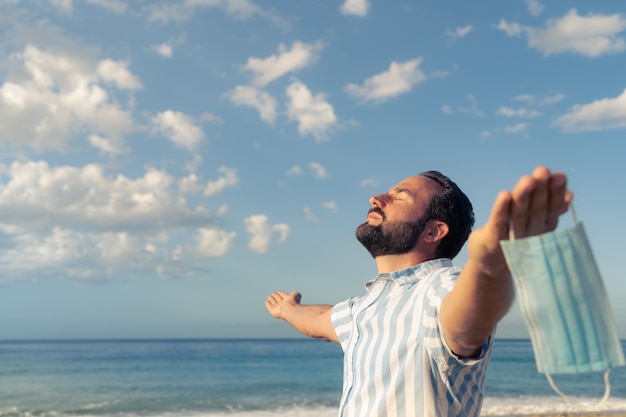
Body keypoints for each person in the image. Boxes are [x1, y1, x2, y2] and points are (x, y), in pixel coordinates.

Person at [265, 166, 573, 417]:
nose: (376, 198)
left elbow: (467, 323)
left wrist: (488, 266)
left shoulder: (440, 287)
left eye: (400, 197)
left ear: (433, 231)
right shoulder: (367, 306)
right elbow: (321, 322)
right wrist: (288, 310)